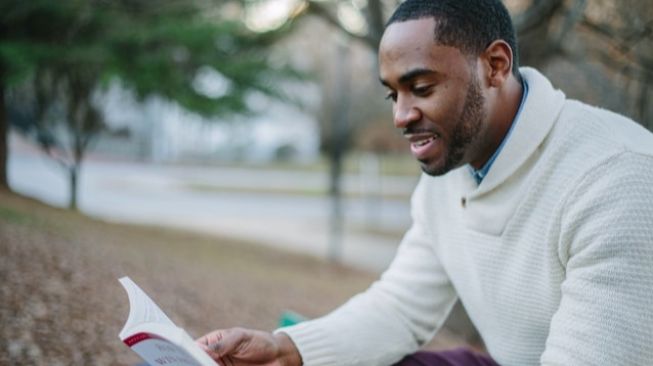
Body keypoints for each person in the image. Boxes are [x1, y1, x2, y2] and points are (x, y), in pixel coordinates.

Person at [197, 0, 653, 365]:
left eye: (422, 87)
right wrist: (286, 348)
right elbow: (401, 308)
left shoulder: (617, 179)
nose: (400, 116)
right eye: (394, 93)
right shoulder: (453, 165)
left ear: (495, 65)